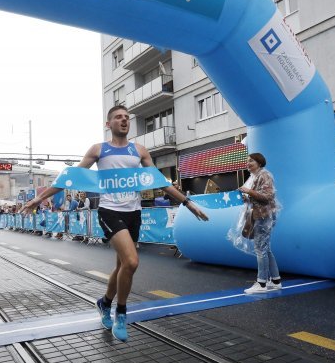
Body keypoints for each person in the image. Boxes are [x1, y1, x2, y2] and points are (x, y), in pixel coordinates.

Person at [21, 105, 208, 341]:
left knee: (122, 267)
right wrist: (38, 199)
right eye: (118, 117)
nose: (124, 120)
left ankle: (104, 302)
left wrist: (187, 203)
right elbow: (71, 179)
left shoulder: (139, 151)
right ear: (108, 124)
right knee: (132, 261)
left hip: (134, 213)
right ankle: (121, 312)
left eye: (126, 118)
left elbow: (160, 181)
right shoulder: (99, 150)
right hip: (109, 211)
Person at [239, 152, 281, 294]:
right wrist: (247, 196)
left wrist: (249, 192)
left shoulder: (264, 175)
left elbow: (268, 197)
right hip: (260, 215)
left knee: (260, 249)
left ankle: (261, 283)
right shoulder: (255, 177)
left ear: (259, 162)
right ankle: (275, 281)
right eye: (247, 161)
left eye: (251, 161)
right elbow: (257, 197)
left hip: (264, 216)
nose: (248, 163)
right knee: (265, 249)